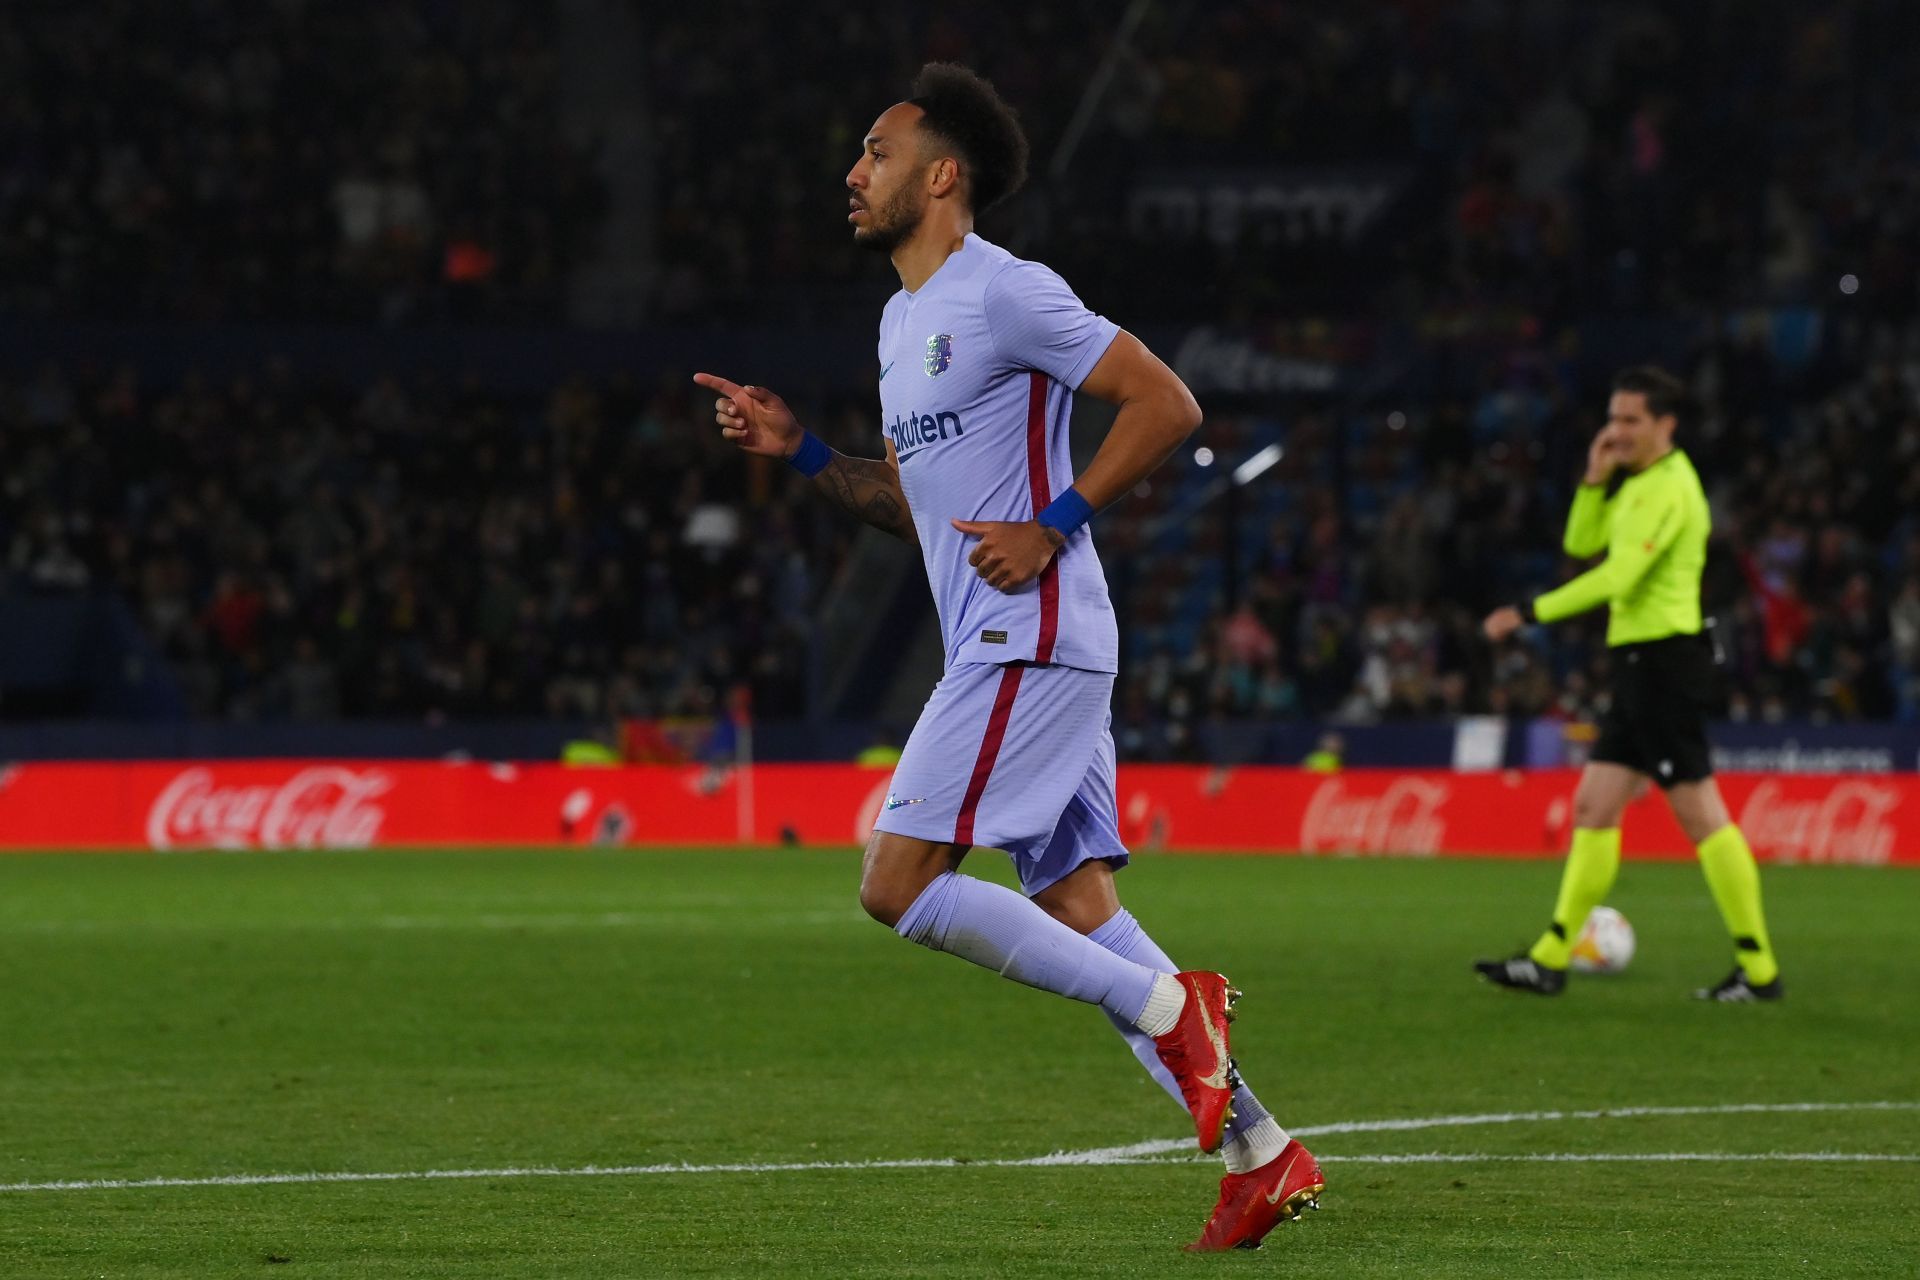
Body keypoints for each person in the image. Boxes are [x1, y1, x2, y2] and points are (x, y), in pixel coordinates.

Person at [695, 64, 1321, 1252]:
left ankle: (1171, 1007)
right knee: (1080, 905)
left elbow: (1167, 402)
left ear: (940, 174)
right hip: (1023, 638)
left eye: (875, 152)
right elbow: (912, 508)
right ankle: (1261, 1150)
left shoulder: (1007, 293)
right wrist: (802, 447)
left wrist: (1057, 522)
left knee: (895, 883)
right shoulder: (899, 323)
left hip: (1028, 635)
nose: (852, 171)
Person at [1476, 366, 1783, 1002]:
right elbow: (1579, 541)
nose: (1616, 431)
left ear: (1666, 424)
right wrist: (1592, 479)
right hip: (1641, 663)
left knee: (1699, 814)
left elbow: (1616, 579)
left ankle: (1759, 971)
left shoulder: (1671, 487)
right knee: (1594, 805)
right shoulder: (1631, 482)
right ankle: (1551, 957)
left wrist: (1528, 612)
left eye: (1630, 421)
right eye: (1611, 418)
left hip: (1667, 662)